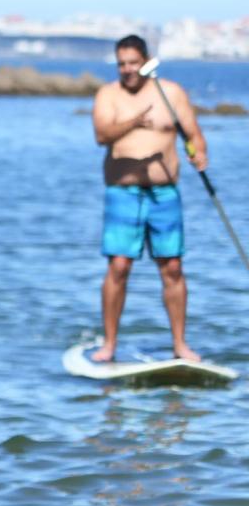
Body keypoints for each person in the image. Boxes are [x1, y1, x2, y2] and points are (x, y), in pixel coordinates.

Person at [91, 34, 209, 362]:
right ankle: (109, 345)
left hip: (165, 194)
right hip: (122, 192)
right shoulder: (108, 96)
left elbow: (193, 134)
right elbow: (102, 135)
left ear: (146, 61)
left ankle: (180, 345)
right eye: (121, 64)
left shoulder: (170, 94)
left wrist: (199, 153)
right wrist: (135, 121)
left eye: (133, 63)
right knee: (119, 266)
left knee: (172, 267)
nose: (127, 70)